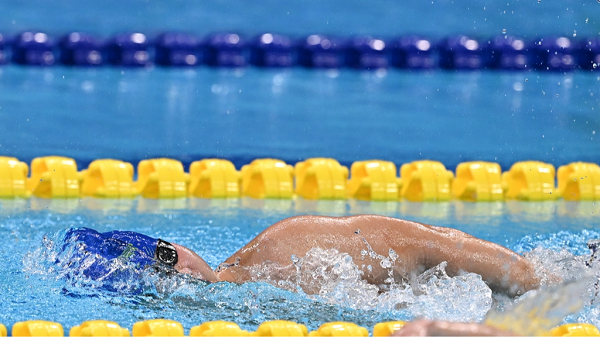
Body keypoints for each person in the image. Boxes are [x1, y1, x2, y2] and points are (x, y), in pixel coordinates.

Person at [61, 215, 543, 296]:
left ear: (176, 247)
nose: (179, 273)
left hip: (511, 283)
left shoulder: (291, 246)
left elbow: (432, 246)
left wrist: (524, 278)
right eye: (160, 278)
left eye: (167, 258)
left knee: (532, 278)